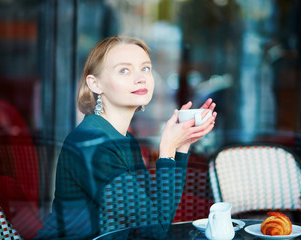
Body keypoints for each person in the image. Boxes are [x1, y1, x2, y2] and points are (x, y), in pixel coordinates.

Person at [35, 35, 216, 240]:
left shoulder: (126, 140)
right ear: (95, 84)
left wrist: (181, 147)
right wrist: (167, 150)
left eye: (145, 68)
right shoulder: (92, 144)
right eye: (124, 70)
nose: (141, 78)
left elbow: (158, 217)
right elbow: (153, 230)